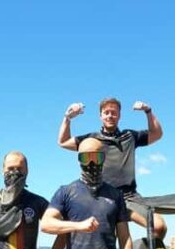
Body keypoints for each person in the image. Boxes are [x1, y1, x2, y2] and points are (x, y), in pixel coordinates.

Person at [58, 97, 167, 239]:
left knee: (159, 226)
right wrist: (68, 118)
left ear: (119, 116)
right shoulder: (92, 140)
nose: (110, 116)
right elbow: (63, 142)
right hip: (101, 196)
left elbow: (157, 134)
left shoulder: (129, 136)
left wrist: (148, 111)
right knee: (96, 235)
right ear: (101, 116)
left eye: (114, 113)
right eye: (106, 112)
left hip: (128, 197)